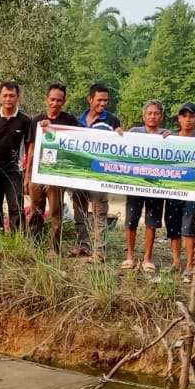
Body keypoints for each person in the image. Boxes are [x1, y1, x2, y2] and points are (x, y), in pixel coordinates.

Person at [24, 82, 79, 253]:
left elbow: (80, 145)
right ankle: (34, 246)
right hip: (37, 174)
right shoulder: (37, 120)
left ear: (64, 101)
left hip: (57, 176)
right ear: (46, 99)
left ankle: (54, 249)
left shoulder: (69, 121)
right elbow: (31, 149)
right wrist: (27, 176)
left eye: (59, 100)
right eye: (52, 99)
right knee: (36, 212)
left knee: (56, 213)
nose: (55, 103)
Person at [121, 100, 169, 272]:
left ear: (161, 117)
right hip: (135, 183)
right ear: (144, 116)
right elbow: (120, 143)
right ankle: (130, 257)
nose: (152, 116)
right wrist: (118, 133)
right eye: (149, 113)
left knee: (151, 222)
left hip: (156, 185)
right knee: (131, 220)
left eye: (156, 113)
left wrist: (170, 139)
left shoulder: (167, 135)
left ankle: (148, 258)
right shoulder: (134, 132)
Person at [73, 83, 118, 262]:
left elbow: (120, 145)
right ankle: (83, 245)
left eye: (106, 100)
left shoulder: (112, 121)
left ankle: (99, 252)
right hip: (80, 173)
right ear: (90, 99)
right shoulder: (77, 121)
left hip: (100, 174)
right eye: (99, 100)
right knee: (79, 210)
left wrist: (120, 135)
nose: (103, 103)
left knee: (99, 211)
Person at [0, 80, 32, 233]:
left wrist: (27, 172)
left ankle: (17, 240)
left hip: (14, 169)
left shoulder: (25, 120)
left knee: (16, 205)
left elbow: (29, 148)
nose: (8, 99)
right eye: (5, 96)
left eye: (12, 96)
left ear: (18, 97)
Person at [169, 103, 195, 273]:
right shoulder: (171, 138)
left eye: (191, 116)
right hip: (172, 188)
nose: (187, 120)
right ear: (179, 118)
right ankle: (176, 262)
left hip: (192, 190)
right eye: (184, 116)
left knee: (189, 227)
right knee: (173, 226)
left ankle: (190, 264)